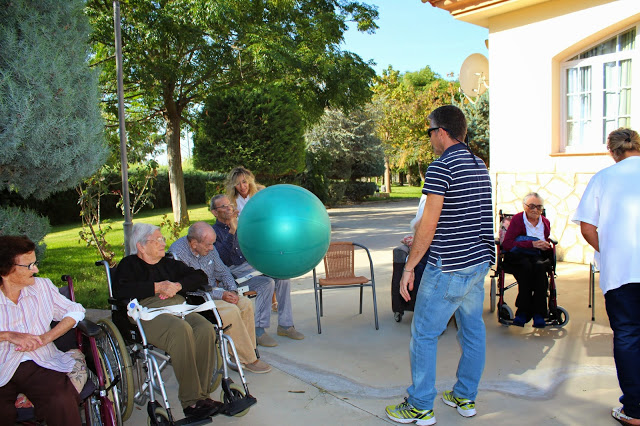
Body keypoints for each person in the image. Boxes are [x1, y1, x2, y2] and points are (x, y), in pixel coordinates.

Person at [385, 105, 494, 426]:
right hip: (477, 264)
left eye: (429, 131)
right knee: (473, 332)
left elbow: (427, 226)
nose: (429, 137)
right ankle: (465, 396)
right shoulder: (478, 165)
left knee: (423, 334)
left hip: (448, 267)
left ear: (441, 132)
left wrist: (409, 268)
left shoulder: (442, 167)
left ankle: (419, 406)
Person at [114, 223, 221, 419]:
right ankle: (191, 402)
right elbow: (121, 291)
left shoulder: (169, 263)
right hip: (148, 312)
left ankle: (202, 396)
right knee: (180, 330)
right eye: (158, 240)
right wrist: (157, 287)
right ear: (141, 245)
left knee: (205, 328)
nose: (164, 243)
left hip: (177, 307)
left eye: (162, 239)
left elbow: (200, 276)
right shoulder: (128, 265)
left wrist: (177, 285)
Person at [573, 128, 640, 426]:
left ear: (612, 151)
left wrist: (610, 250)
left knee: (627, 336)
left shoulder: (604, 178)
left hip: (623, 273)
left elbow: (587, 227)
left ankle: (635, 411)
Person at [0, 236, 85, 426]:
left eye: (34, 263)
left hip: (39, 362)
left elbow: (76, 311)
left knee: (60, 401)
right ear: (5, 272)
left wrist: (47, 337)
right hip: (2, 365)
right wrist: (7, 335)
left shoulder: (42, 288)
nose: (36, 270)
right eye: (28, 266)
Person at [169, 222, 271, 374]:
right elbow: (190, 287)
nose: (211, 248)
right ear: (194, 243)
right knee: (231, 311)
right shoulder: (178, 254)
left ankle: (249, 350)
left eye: (212, 244)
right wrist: (221, 294)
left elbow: (223, 271)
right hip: (196, 299)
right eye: (208, 245)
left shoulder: (207, 247)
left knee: (244, 303)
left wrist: (232, 291)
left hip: (215, 292)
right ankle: (248, 359)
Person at [210, 194, 304, 347]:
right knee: (266, 283)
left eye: (230, 205)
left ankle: (285, 325)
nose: (229, 208)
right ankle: (259, 330)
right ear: (215, 212)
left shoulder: (242, 225)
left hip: (252, 264)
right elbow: (223, 259)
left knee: (283, 277)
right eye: (224, 206)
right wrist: (232, 231)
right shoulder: (213, 233)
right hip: (233, 270)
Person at [501, 192, 554, 328]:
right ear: (524, 206)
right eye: (531, 206)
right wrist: (532, 243)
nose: (535, 210)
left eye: (538, 207)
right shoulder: (518, 220)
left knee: (540, 269)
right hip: (518, 257)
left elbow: (547, 242)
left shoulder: (545, 222)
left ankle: (538, 314)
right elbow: (507, 244)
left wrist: (545, 246)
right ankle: (523, 312)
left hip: (537, 257)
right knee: (526, 269)